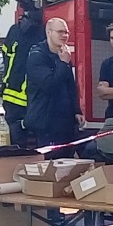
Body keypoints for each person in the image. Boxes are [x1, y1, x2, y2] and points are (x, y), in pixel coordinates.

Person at [23, 16, 80, 150]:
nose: (64, 35)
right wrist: (62, 63)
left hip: (65, 123)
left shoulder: (63, 55)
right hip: (45, 123)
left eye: (66, 32)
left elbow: (70, 86)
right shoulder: (37, 55)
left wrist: (76, 110)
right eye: (60, 32)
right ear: (49, 32)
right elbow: (49, 85)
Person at [0, 8, 42, 147]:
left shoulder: (14, 31)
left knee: (13, 135)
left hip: (10, 90)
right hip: (28, 94)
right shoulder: (41, 34)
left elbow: (6, 55)